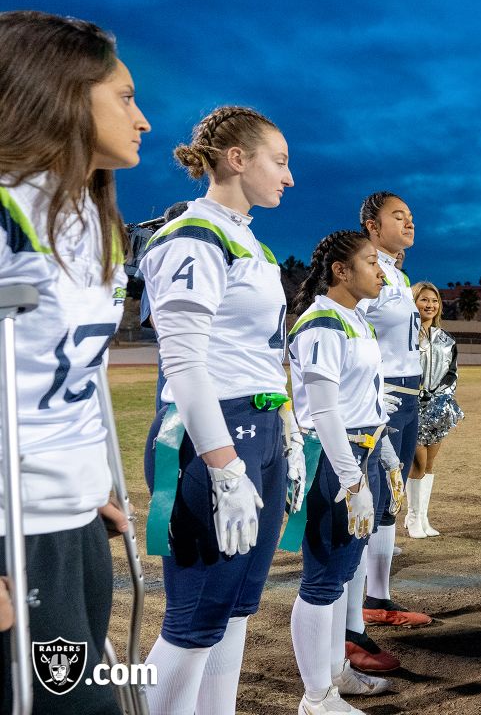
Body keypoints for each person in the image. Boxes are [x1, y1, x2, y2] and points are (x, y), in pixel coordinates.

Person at [0, 11, 148, 713]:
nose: (142, 119)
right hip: (11, 532)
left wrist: (85, 482)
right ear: (58, 94)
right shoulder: (6, 214)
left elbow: (66, 376)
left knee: (99, 696)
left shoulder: (89, 217)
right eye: (123, 97)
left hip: (73, 521)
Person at [138, 105, 294, 715]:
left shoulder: (248, 240)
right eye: (278, 162)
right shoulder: (193, 237)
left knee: (233, 612)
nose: (288, 177)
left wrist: (283, 423)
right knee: (194, 620)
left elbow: (256, 353)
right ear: (237, 159)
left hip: (257, 429)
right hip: (215, 435)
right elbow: (184, 363)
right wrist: (224, 462)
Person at [288, 230, 395, 714]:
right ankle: (316, 697)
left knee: (342, 574)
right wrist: (353, 481)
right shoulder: (323, 324)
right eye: (372, 261)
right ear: (341, 271)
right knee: (323, 580)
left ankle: (335, 676)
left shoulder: (353, 320)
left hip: (360, 453)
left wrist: (386, 458)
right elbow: (325, 413)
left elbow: (365, 400)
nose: (381, 270)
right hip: (335, 459)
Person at [344, 192, 426, 674]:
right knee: (370, 501)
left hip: (409, 392)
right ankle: (353, 622)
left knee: (391, 499)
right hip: (386, 395)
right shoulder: (364, 269)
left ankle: (378, 597)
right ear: (372, 225)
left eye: (411, 216)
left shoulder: (395, 272)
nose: (409, 222)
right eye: (399, 216)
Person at [407, 281, 463, 538]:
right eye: (424, 300)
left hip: (438, 407)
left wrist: (442, 397)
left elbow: (452, 373)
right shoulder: (405, 336)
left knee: (429, 464)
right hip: (412, 406)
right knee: (416, 463)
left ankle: (423, 517)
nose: (430, 305)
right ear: (414, 302)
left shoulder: (447, 340)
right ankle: (412, 516)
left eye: (434, 301)